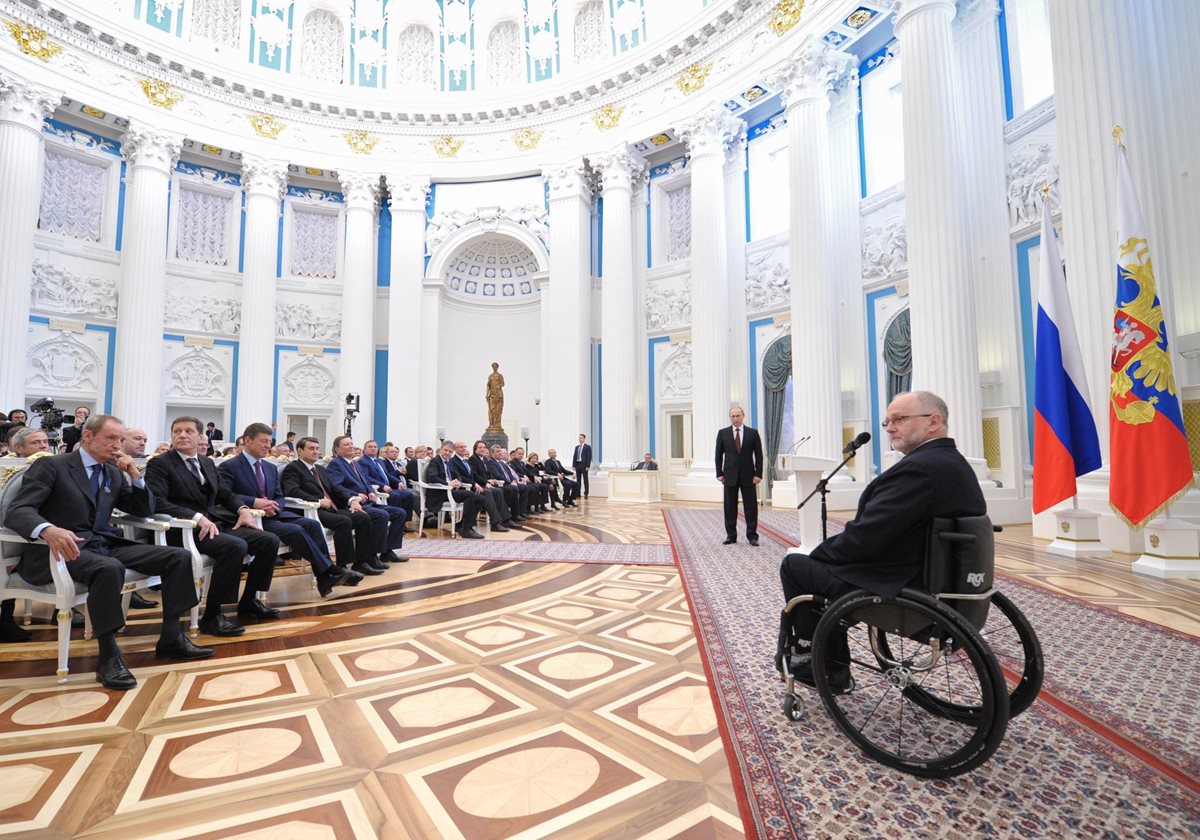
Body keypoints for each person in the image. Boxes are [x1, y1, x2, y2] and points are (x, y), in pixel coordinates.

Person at [778, 391, 987, 691]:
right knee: (819, 565)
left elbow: (864, 539)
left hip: (900, 584)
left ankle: (820, 661)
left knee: (796, 566)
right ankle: (829, 643)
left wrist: (822, 554)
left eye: (899, 419)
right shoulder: (950, 462)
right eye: (887, 421)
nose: (889, 428)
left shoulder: (920, 469)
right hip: (937, 578)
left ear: (934, 422)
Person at [5, 414, 213, 689]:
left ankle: (172, 637)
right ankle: (108, 655)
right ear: (88, 437)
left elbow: (142, 510)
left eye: (121, 439)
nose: (118, 445)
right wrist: (47, 529)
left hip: (102, 544)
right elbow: (17, 511)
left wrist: (136, 477)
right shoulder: (52, 466)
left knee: (178, 557)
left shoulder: (113, 472)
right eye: (111, 438)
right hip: (61, 549)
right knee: (108, 567)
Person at [144, 417, 282, 635]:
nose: (182, 435)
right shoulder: (160, 464)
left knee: (268, 540)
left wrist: (242, 509)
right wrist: (197, 517)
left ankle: (249, 601)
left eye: (189, 431)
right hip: (182, 529)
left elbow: (224, 493)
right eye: (177, 431)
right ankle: (213, 615)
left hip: (213, 524)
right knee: (234, 546)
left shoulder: (205, 462)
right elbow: (158, 501)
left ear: (200, 437)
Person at [217, 423, 362, 596]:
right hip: (252, 518)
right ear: (247, 441)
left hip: (274, 514)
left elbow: (280, 495)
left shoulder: (269, 467)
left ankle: (324, 578)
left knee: (312, 525)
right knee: (295, 530)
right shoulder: (229, 466)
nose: (268, 446)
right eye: (263, 441)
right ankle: (330, 570)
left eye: (269, 442)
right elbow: (225, 496)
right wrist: (255, 502)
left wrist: (275, 506)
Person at [282, 437, 388, 576]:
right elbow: (292, 491)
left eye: (317, 448)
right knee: (344, 522)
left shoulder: (319, 468)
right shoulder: (293, 468)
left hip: (331, 508)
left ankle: (361, 562)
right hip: (311, 510)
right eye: (311, 448)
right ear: (300, 451)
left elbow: (334, 488)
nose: (316, 452)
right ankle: (342, 566)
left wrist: (352, 500)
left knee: (363, 517)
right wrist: (318, 500)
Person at [0, 426, 50, 642]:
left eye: (45, 442)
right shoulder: (11, 469)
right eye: (36, 443)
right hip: (12, 533)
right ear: (18, 448)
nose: (43, 447)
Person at [325, 435, 407, 563]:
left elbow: (366, 481)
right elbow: (335, 486)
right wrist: (355, 494)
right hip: (352, 504)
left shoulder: (354, 463)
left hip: (368, 502)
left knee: (399, 513)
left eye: (351, 443)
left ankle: (387, 551)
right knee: (381, 515)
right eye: (346, 444)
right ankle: (372, 556)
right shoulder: (335, 464)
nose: (351, 446)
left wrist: (371, 491)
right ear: (337, 450)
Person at [715, 405, 763, 546]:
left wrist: (758, 474)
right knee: (730, 507)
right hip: (729, 476)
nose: (735, 419)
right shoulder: (722, 433)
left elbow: (759, 456)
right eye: (733, 416)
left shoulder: (753, 433)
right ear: (730, 417)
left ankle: (752, 536)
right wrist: (719, 473)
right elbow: (718, 455)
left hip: (749, 476)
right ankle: (731, 535)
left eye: (738, 416)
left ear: (743, 416)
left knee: (751, 507)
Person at [425, 441, 485, 538]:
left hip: (450, 491)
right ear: (440, 450)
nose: (447, 453)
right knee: (470, 495)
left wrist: (458, 482)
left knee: (480, 498)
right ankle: (466, 529)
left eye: (450, 451)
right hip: (440, 493)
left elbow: (457, 475)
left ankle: (462, 525)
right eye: (445, 450)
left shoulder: (449, 462)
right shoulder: (435, 461)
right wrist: (448, 483)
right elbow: (432, 477)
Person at [485, 362, 505, 431]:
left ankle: (497, 425)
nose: (494, 367)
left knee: (498, 410)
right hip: (492, 395)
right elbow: (488, 385)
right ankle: (491, 424)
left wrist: (499, 385)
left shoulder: (500, 375)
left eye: (495, 366)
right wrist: (487, 394)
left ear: (497, 367)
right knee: (491, 410)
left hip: (498, 395)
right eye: (493, 366)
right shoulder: (490, 376)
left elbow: (503, 383)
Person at [571, 434, 592, 499]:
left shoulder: (587, 447)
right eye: (579, 438)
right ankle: (578, 493)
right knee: (578, 480)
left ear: (584, 439)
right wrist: (573, 465)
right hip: (578, 465)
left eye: (581, 438)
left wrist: (588, 466)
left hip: (584, 465)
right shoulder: (577, 447)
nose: (580, 439)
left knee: (585, 480)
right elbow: (574, 456)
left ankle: (586, 493)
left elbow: (589, 457)